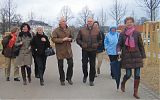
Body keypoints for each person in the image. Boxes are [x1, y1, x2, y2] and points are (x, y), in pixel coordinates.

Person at [117, 17, 146, 99]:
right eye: (127, 22)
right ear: (125, 24)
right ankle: (123, 82)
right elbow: (119, 44)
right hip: (127, 57)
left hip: (137, 56)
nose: (129, 23)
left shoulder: (137, 33)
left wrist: (143, 56)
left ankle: (135, 92)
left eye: (131, 22)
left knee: (137, 75)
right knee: (128, 74)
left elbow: (141, 45)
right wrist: (118, 50)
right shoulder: (122, 34)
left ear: (133, 23)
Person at [76, 18, 102, 86]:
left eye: (91, 21)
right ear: (87, 22)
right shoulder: (82, 30)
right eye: (88, 21)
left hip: (93, 50)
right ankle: (85, 75)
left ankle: (91, 80)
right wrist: (82, 44)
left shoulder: (97, 30)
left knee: (92, 65)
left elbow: (100, 40)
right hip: (85, 50)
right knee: (84, 64)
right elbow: (78, 39)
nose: (89, 22)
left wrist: (96, 45)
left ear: (93, 22)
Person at [51, 17, 74, 86]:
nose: (64, 22)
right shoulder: (56, 30)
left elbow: (72, 37)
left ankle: (69, 78)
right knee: (60, 66)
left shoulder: (69, 29)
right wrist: (62, 40)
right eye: (63, 21)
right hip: (60, 50)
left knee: (71, 64)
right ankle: (62, 79)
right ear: (60, 23)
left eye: (65, 21)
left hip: (68, 50)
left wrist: (70, 39)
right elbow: (53, 39)